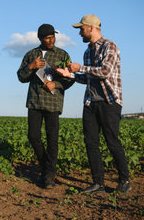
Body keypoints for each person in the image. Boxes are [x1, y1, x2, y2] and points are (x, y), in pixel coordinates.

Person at [56, 14, 131, 194]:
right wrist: (70, 75)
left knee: (112, 141)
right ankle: (98, 184)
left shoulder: (109, 46)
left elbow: (104, 72)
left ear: (91, 28)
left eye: (81, 29)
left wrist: (79, 68)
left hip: (109, 101)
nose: (80, 33)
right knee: (91, 143)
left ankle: (124, 180)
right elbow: (88, 78)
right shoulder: (87, 51)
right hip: (91, 102)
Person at [17, 23, 74, 189]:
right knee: (33, 136)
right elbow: (21, 77)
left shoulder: (62, 54)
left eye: (53, 37)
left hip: (52, 102)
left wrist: (55, 84)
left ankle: (49, 176)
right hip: (34, 102)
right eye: (48, 37)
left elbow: (69, 79)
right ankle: (46, 167)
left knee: (52, 139)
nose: (51, 40)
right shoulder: (31, 55)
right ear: (40, 38)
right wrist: (31, 67)